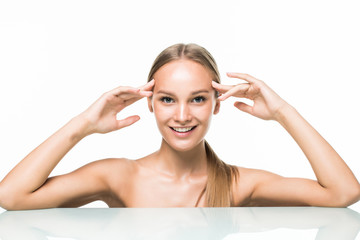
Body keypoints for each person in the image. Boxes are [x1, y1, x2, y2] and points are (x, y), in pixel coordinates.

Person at [0, 43, 359, 210]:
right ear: (151, 103)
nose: (183, 115)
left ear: (217, 105)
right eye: (168, 99)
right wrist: (83, 125)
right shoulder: (119, 177)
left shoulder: (238, 184)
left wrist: (282, 110)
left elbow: (344, 193)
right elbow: (11, 197)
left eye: (198, 99)